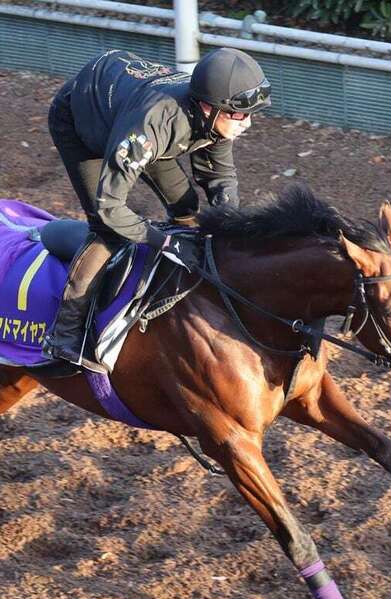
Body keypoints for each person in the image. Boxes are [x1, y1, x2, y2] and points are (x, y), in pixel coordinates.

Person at [42, 47, 271, 369]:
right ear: (207, 107)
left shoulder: (214, 114)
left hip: (136, 117)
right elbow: (111, 207)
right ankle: (64, 335)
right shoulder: (152, 127)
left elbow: (218, 176)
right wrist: (166, 242)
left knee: (187, 206)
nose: (247, 124)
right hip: (86, 124)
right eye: (240, 115)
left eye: (251, 114)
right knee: (108, 230)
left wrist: (229, 224)